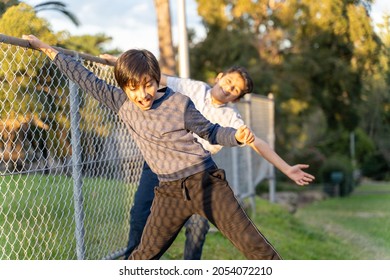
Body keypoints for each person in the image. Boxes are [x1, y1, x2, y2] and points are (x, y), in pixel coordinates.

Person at [23, 34, 299, 260]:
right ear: (123, 87)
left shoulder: (179, 103)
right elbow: (83, 76)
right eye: (133, 88)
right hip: (169, 192)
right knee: (142, 256)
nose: (142, 94)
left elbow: (211, 131)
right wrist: (46, 49)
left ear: (157, 81)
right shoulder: (119, 101)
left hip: (205, 183)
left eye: (149, 85)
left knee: (256, 249)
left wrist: (237, 137)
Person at [100, 54, 316, 259]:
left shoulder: (230, 116)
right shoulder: (193, 88)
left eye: (235, 90)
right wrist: (116, 62)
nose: (228, 88)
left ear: (237, 98)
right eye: (229, 81)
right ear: (219, 76)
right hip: (158, 165)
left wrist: (286, 168)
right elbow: (152, 75)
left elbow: (256, 142)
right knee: (139, 216)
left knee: (197, 226)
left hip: (196, 175)